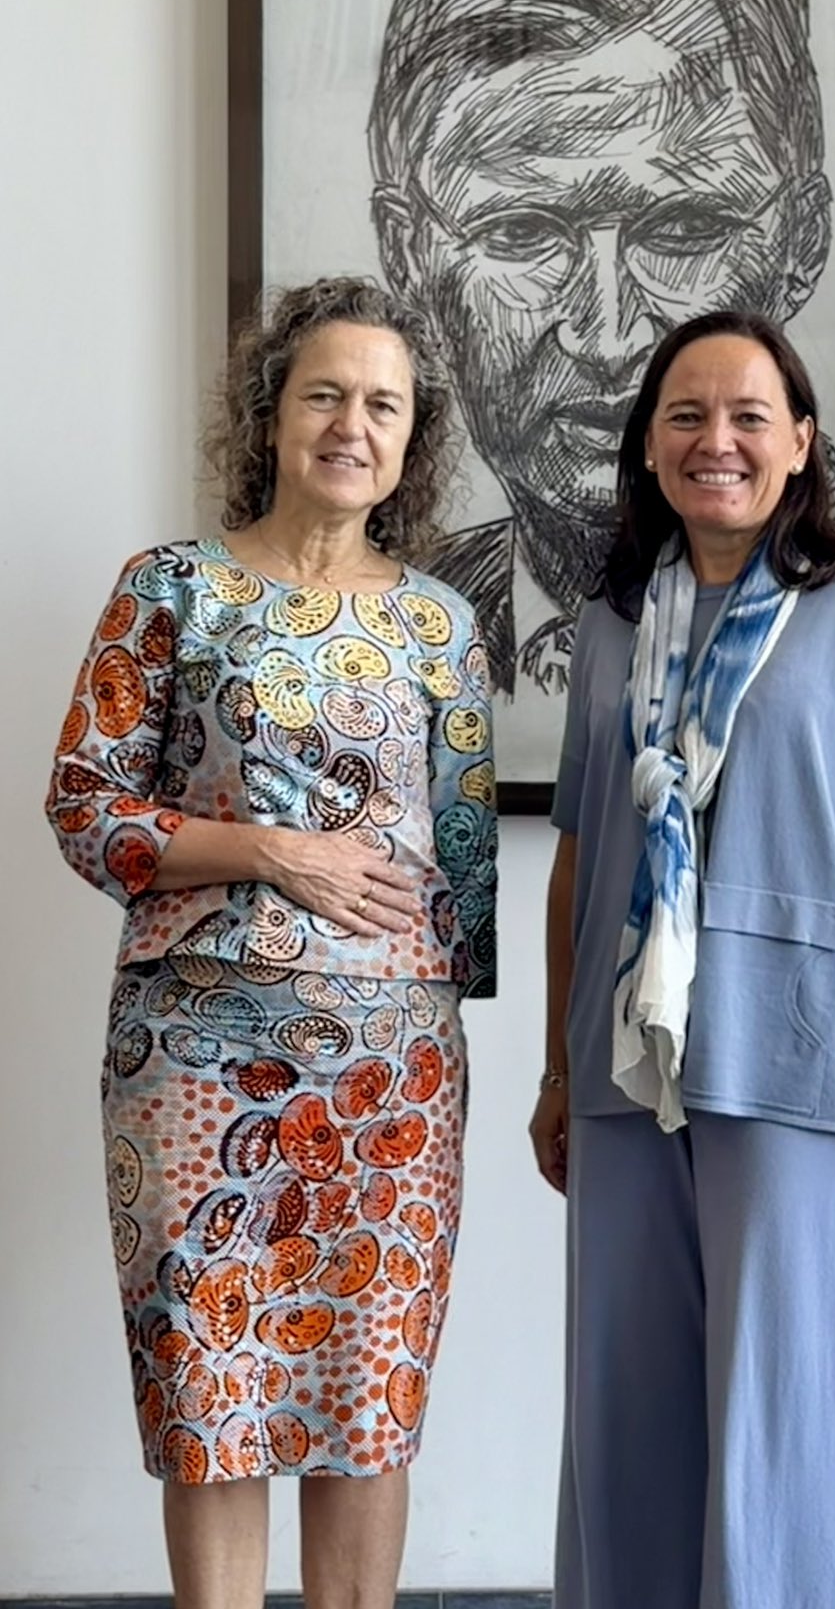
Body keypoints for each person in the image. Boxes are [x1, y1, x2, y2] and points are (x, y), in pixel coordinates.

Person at [45, 278, 497, 1609]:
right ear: (271, 414)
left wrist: (458, 1023)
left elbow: (464, 868)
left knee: (369, 1397)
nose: (352, 424)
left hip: (394, 1082)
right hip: (193, 1063)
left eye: (383, 405)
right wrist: (269, 849)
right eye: (325, 394)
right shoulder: (170, 589)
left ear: (412, 440)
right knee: (212, 1392)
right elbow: (84, 805)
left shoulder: (443, 623)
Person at [529, 308, 835, 1609]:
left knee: (783, 1427)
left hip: (802, 1057)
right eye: (685, 415)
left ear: (800, 443)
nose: (714, 439)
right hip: (625, 1068)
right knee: (624, 1421)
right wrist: (558, 1071)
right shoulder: (613, 622)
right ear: (647, 447)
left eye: (746, 416)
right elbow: (579, 856)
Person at [367, 0, 835, 718]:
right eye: (522, 234)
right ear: (409, 255)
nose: (607, 334)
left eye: (683, 229)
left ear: (801, 241)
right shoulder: (401, 623)